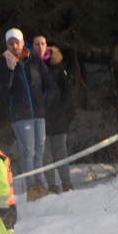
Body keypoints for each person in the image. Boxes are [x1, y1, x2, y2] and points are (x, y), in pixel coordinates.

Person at [0, 27, 55, 201]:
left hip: (38, 113)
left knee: (40, 149)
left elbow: (49, 84)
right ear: (6, 45)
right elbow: (2, 90)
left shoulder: (34, 60)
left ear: (22, 42)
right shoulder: (2, 64)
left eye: (17, 42)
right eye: (10, 43)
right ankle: (32, 186)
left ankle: (40, 184)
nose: (14, 46)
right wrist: (9, 70)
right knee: (28, 150)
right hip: (20, 115)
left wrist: (43, 102)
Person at [34, 36, 75, 193]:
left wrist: (62, 106)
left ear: (47, 45)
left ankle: (67, 183)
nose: (40, 47)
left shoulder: (56, 64)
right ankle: (52, 186)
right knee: (45, 155)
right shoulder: (30, 65)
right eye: (37, 44)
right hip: (39, 116)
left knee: (60, 152)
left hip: (57, 115)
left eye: (42, 44)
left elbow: (66, 88)